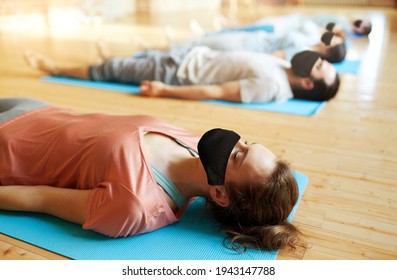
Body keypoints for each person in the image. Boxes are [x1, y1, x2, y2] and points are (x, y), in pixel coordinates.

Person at [0, 97, 304, 251]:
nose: (235, 141)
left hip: (6, 146)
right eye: (248, 142)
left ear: (220, 193)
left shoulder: (133, 206)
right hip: (37, 109)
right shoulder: (194, 144)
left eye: (238, 154)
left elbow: (38, 198)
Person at [24, 46, 340, 104]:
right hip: (190, 56)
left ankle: (53, 67)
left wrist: (164, 91)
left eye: (320, 65)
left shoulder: (270, 87)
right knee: (123, 64)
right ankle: (100, 62)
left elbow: (215, 92)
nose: (318, 59)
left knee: (113, 70)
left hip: (176, 73)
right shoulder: (283, 69)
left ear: (308, 82)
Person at [167, 29, 346, 63]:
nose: (331, 37)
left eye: (334, 41)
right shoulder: (310, 41)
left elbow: (273, 56)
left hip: (243, 45)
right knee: (198, 42)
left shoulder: (303, 51)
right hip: (249, 38)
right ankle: (164, 47)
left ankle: (163, 50)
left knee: (197, 44)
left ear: (327, 51)